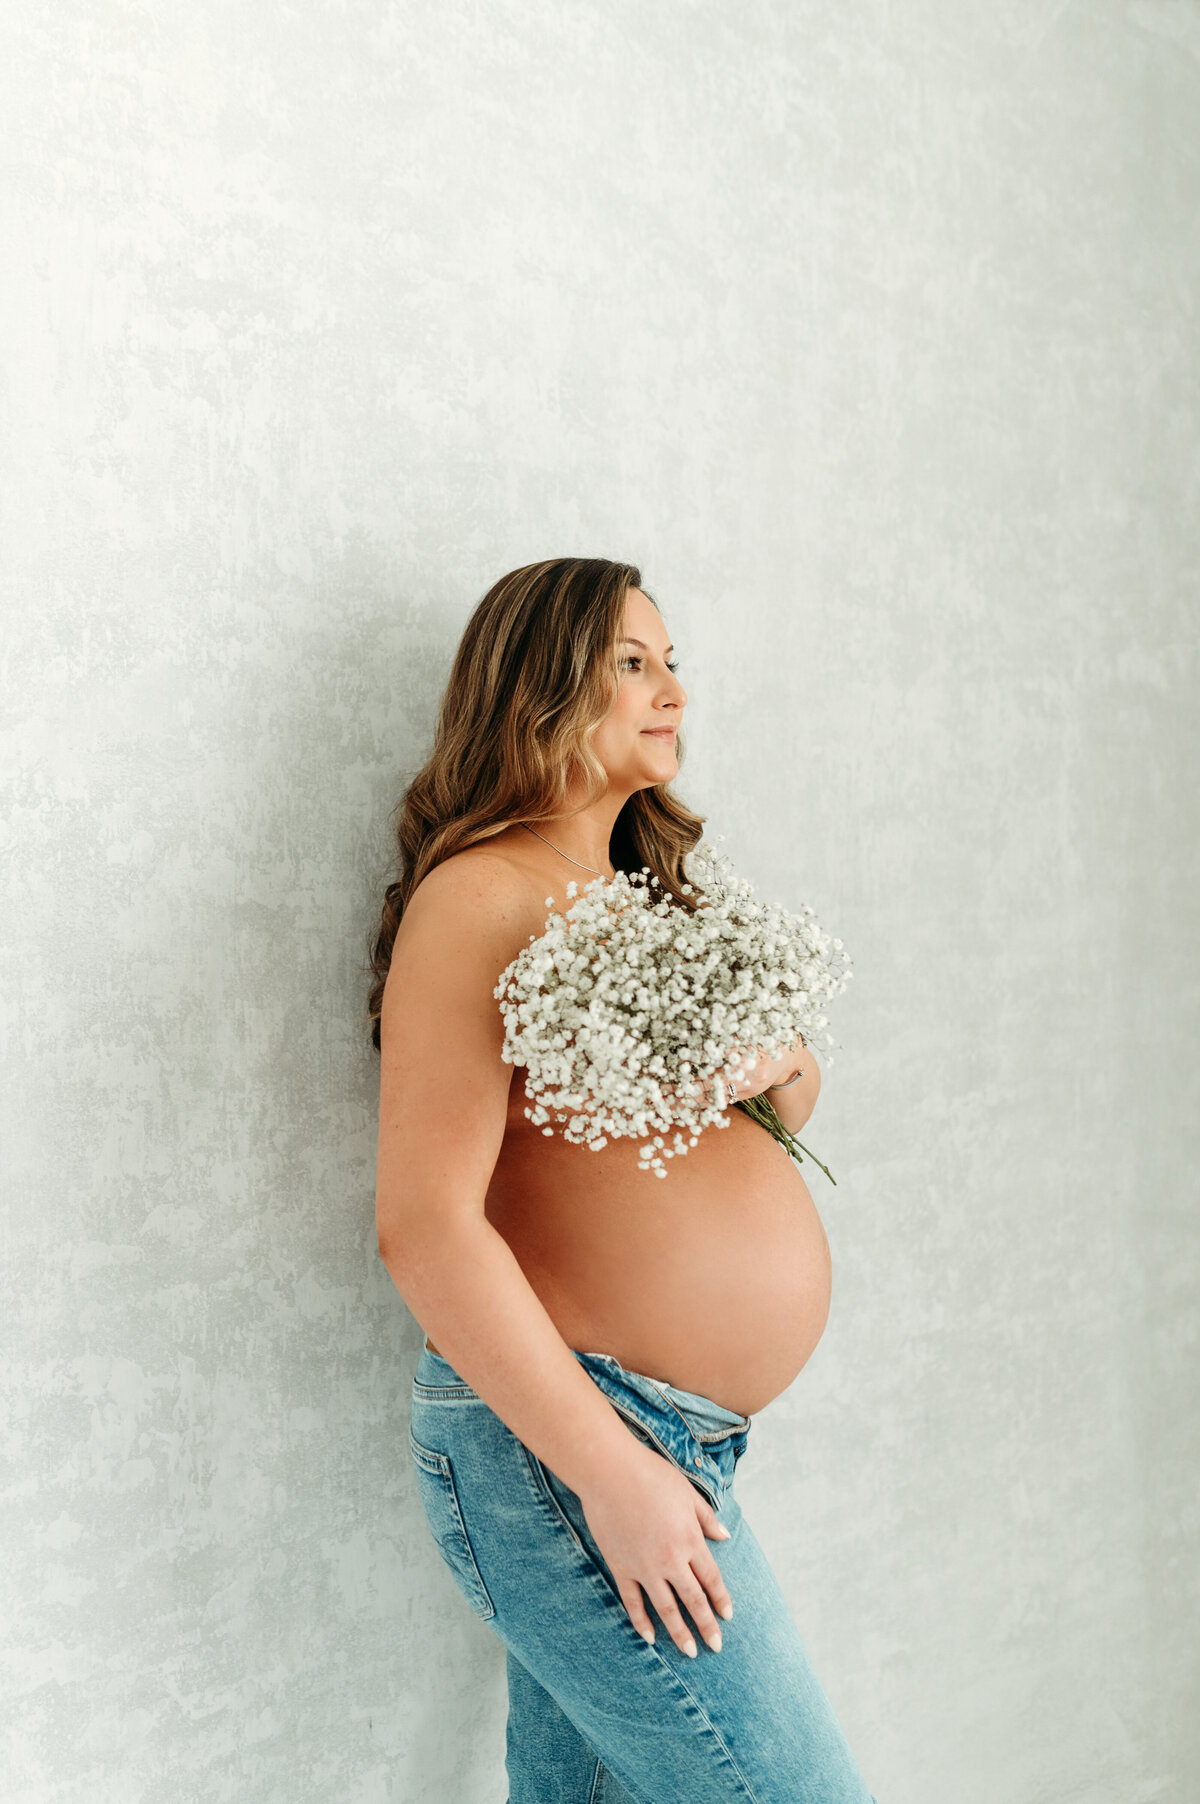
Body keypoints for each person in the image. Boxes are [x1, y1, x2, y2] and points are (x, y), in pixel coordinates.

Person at [367, 557, 878, 1802]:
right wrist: (610, 1472)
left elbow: (785, 1100)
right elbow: (425, 1229)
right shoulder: (478, 896)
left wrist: (780, 1056)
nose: (674, 692)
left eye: (673, 660)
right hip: (571, 1440)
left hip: (672, 1440)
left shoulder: (642, 898)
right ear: (539, 690)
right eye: (633, 665)